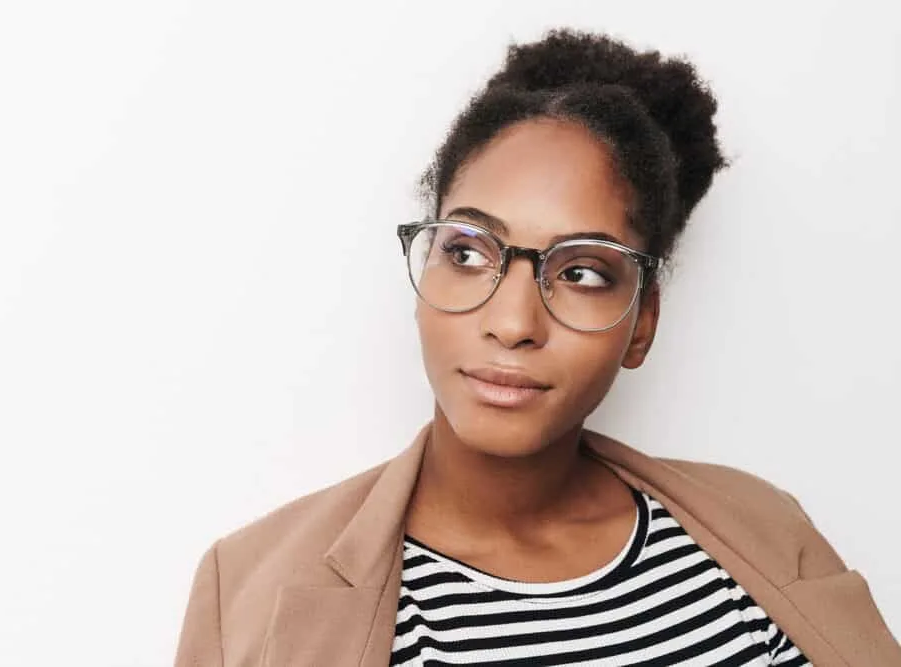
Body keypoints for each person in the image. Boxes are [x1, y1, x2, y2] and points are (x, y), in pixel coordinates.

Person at [173, 29, 901, 666]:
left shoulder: (765, 533)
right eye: (468, 251)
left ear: (642, 320)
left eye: (582, 270)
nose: (513, 320)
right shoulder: (249, 588)